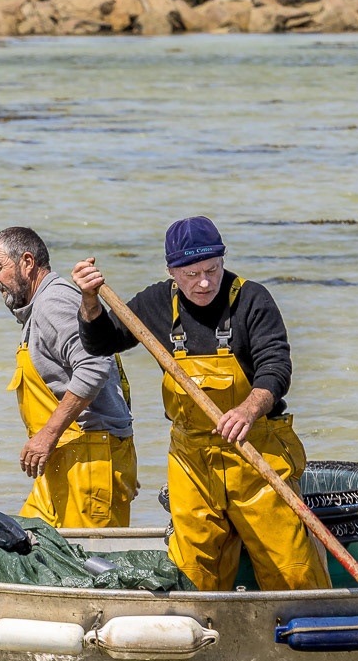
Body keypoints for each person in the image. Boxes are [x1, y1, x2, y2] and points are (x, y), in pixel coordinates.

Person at [72, 216, 328, 592]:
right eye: (192, 274)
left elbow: (276, 367)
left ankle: (309, 620)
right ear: (172, 272)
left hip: (255, 452)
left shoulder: (252, 299)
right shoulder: (156, 302)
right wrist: (89, 301)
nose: (204, 282)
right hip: (191, 461)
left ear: (223, 261)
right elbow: (101, 343)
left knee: (291, 567)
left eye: (212, 269)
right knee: (193, 571)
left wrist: (247, 410)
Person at [0, 226, 139, 528]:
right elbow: (110, 374)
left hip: (88, 462)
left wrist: (48, 436)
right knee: (26, 543)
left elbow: (94, 367)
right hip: (66, 462)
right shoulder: (39, 308)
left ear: (27, 262)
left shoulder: (53, 303)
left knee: (84, 558)